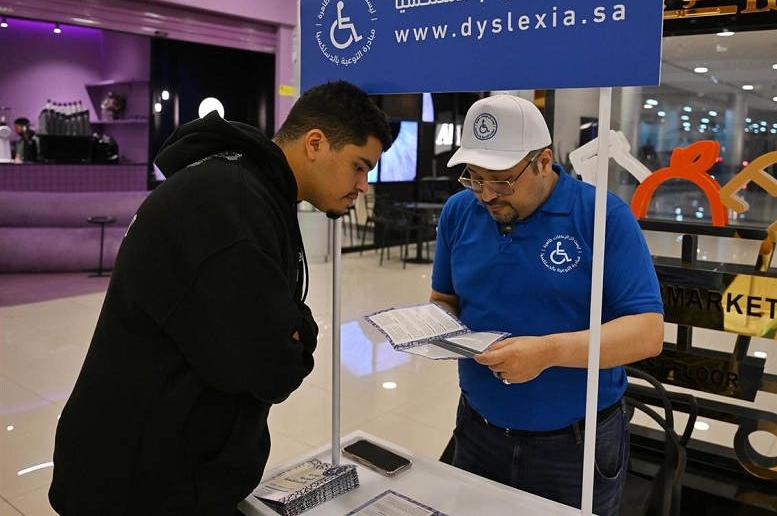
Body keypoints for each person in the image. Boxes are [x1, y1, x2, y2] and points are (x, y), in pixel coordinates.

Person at [49, 80, 393, 515]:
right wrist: (301, 327)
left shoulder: (246, 186)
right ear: (315, 143)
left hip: (165, 465)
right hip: (139, 485)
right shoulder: (234, 204)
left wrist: (289, 321)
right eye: (359, 166)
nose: (363, 185)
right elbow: (272, 368)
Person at [429, 94, 664, 516]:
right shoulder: (459, 212)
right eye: (473, 177)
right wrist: (438, 329)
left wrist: (548, 353)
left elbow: (646, 333)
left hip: (575, 445)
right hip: (478, 430)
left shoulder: (601, 216)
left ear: (543, 161)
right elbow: (444, 299)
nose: (486, 194)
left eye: (500, 181)